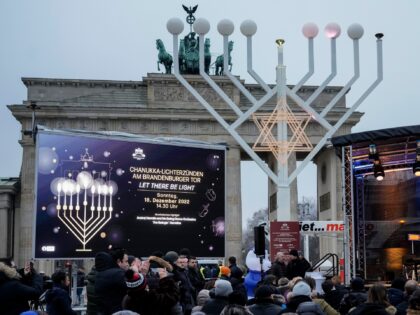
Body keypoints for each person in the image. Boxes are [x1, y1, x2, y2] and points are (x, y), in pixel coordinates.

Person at [95, 249, 128, 314]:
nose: (128, 264)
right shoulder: (117, 274)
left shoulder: (100, 275)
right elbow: (134, 286)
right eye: (126, 261)